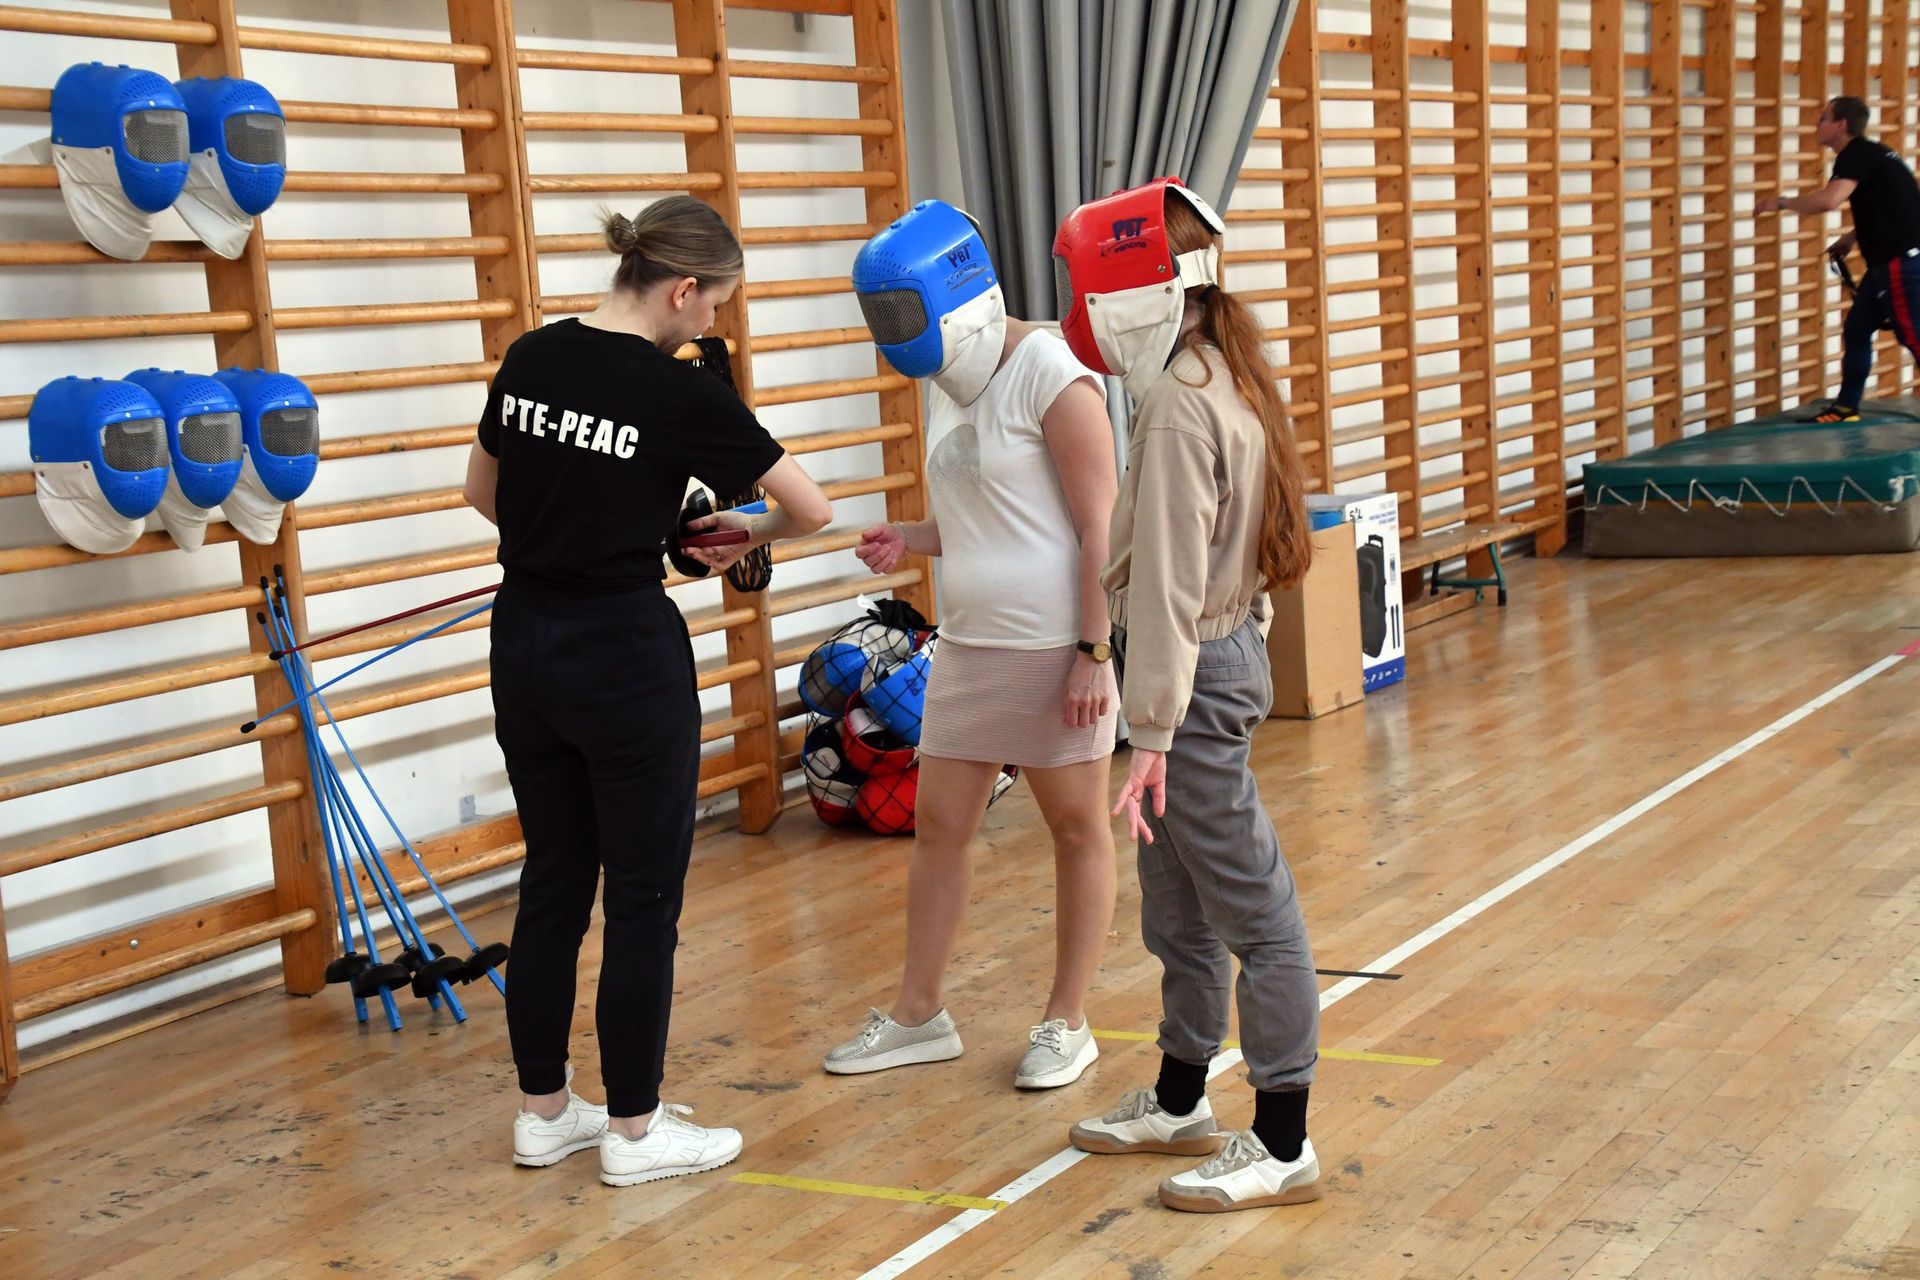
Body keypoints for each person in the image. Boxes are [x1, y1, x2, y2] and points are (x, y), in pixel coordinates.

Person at [462, 195, 832, 1186]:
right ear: (681, 289)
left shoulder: (532, 356)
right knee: (642, 897)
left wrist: (574, 529)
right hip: (623, 655)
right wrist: (746, 532)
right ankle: (634, 1130)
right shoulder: (678, 392)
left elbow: (481, 495)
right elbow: (811, 508)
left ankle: (544, 1113)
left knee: (553, 881)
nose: (713, 322)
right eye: (716, 303)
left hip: (524, 642)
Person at [1053, 177, 1325, 1213]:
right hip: (1202, 668)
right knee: (1179, 903)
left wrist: (1157, 728)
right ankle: (1179, 1099)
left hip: (1188, 683)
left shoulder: (1180, 400)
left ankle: (1284, 1141)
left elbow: (1168, 581)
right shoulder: (1219, 368)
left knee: (1255, 911)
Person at [823, 199, 1121, 1090]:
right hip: (969, 646)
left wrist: (1094, 651)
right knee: (940, 829)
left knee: (1076, 831)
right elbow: (986, 517)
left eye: (901, 310)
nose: (892, 330)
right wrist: (911, 538)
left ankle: (1068, 1021)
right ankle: (920, 1013)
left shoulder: (1053, 374)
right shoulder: (949, 381)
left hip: (1055, 649)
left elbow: (1101, 528)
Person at [1760, 96, 1920, 422]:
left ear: (1840, 124)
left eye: (1823, 118)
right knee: (1857, 328)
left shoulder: (1856, 154)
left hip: (1901, 263)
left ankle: (1847, 405)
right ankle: (1847, 407)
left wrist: (1780, 202)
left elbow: (1829, 201)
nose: (1817, 124)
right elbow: (1895, 205)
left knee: (1914, 336)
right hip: (1887, 263)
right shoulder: (1874, 153)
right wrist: (1851, 238)